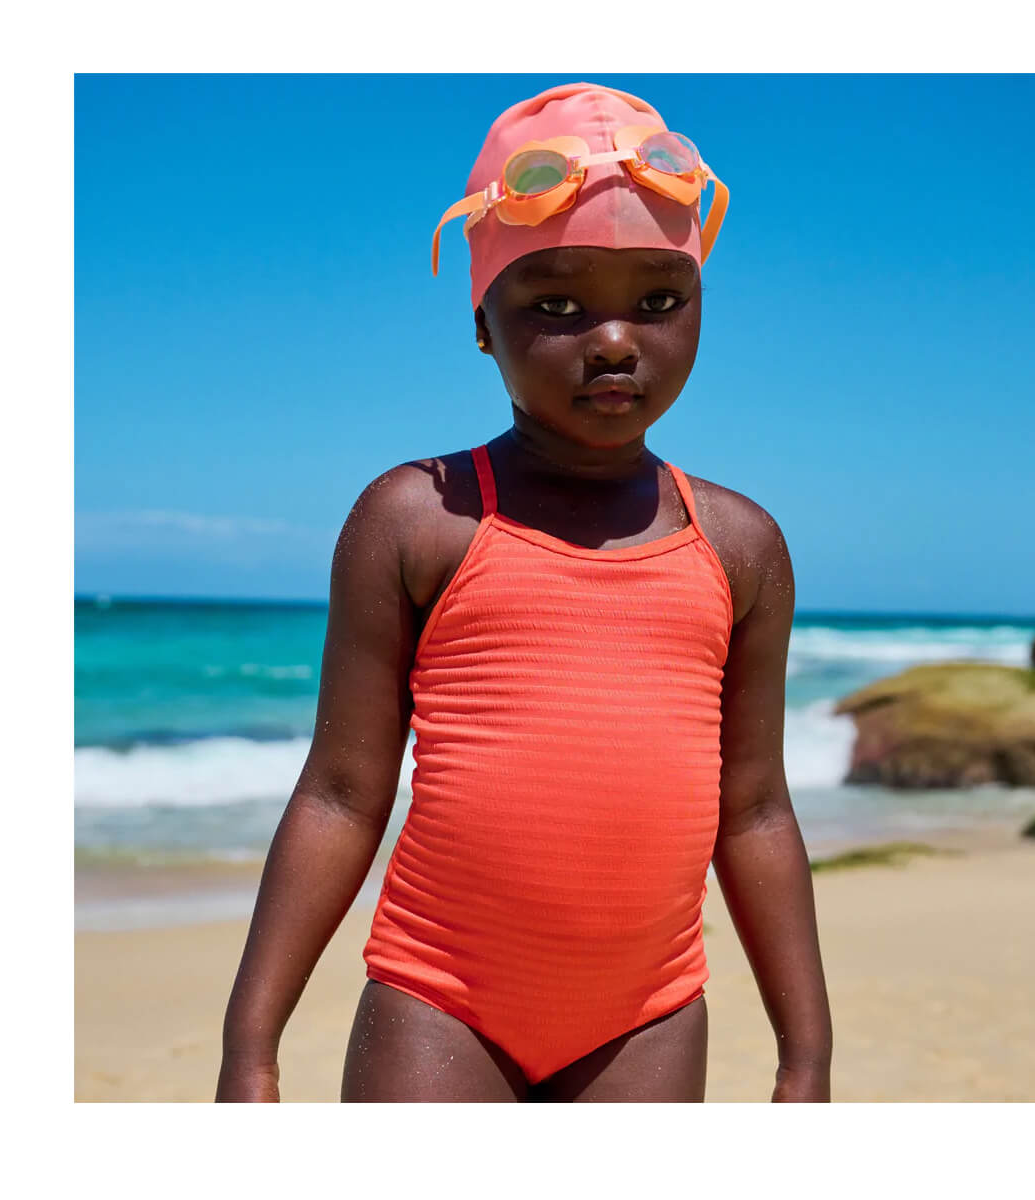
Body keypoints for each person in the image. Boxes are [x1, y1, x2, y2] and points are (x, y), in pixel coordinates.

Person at [216, 81, 832, 1103]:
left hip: (648, 1014)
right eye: (555, 305)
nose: (614, 340)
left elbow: (756, 809)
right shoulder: (420, 519)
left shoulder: (738, 547)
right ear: (481, 322)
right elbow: (341, 793)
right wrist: (251, 1049)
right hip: (441, 998)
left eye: (659, 301)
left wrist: (804, 1060)